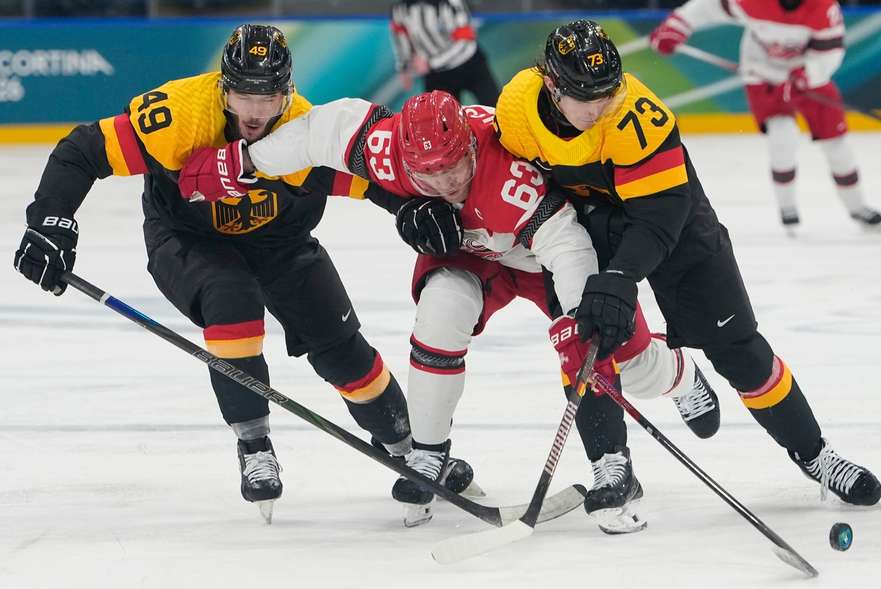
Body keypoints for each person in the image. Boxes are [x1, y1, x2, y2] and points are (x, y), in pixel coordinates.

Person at [181, 88, 728, 532]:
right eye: (429, 177)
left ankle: (678, 376)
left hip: (537, 256)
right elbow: (316, 131)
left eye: (454, 169)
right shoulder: (382, 146)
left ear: (470, 145)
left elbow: (567, 244)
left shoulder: (509, 178)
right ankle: (429, 452)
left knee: (622, 358)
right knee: (440, 313)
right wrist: (242, 161)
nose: (445, 184)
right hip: (473, 256)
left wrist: (576, 314)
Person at [11, 24, 472, 524]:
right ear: (222, 87)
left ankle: (407, 449)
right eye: (243, 94)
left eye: (268, 95)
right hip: (190, 242)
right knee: (232, 300)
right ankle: (254, 446)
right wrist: (51, 223)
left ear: (287, 92)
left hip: (281, 244)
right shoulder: (180, 116)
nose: (255, 111)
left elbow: (367, 178)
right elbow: (82, 150)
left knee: (342, 347)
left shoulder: (302, 129)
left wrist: (408, 209)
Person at [494, 19, 881, 508]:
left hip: (673, 222)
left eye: (606, 94)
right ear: (552, 85)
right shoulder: (514, 109)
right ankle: (611, 466)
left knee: (737, 348)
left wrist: (620, 276)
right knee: (585, 333)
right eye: (585, 98)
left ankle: (815, 454)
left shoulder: (637, 115)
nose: (599, 108)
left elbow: (660, 217)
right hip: (587, 226)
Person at [650, 0, 881, 229]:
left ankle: (857, 206)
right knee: (782, 135)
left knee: (836, 144)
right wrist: (676, 26)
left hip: (809, 77)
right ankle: (787, 207)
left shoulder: (824, 8)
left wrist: (805, 77)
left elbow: (829, 52)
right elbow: (709, 7)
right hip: (764, 73)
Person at [389, 0, 500, 105]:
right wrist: (404, 68)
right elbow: (400, 37)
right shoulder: (400, 9)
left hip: (469, 64)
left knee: (495, 108)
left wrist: (430, 63)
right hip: (437, 76)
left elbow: (465, 41)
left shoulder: (451, 3)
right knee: (440, 122)